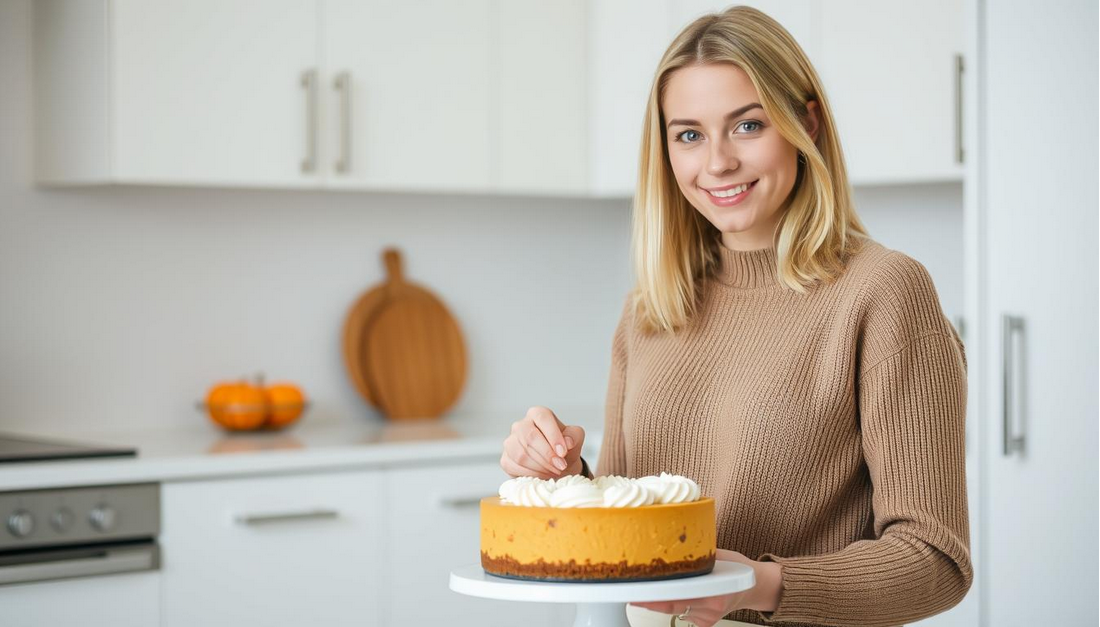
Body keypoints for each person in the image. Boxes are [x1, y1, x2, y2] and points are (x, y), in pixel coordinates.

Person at [499, 6, 971, 627]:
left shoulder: (883, 292)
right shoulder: (649, 309)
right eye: (688, 134)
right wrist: (566, 474)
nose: (716, 163)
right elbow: (630, 532)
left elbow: (934, 563)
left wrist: (752, 585)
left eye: (747, 125)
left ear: (807, 123)